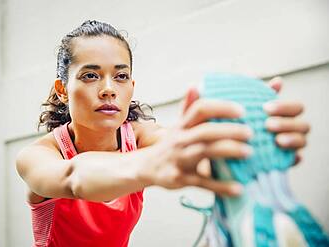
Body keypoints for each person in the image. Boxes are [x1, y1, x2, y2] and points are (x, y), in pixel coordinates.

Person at [16, 20, 310, 247]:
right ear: (63, 90)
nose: (108, 89)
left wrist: (233, 148)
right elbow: (73, 178)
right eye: (90, 75)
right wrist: (156, 163)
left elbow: (181, 150)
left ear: (131, 85)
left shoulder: (141, 138)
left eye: (121, 76)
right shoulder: (38, 156)